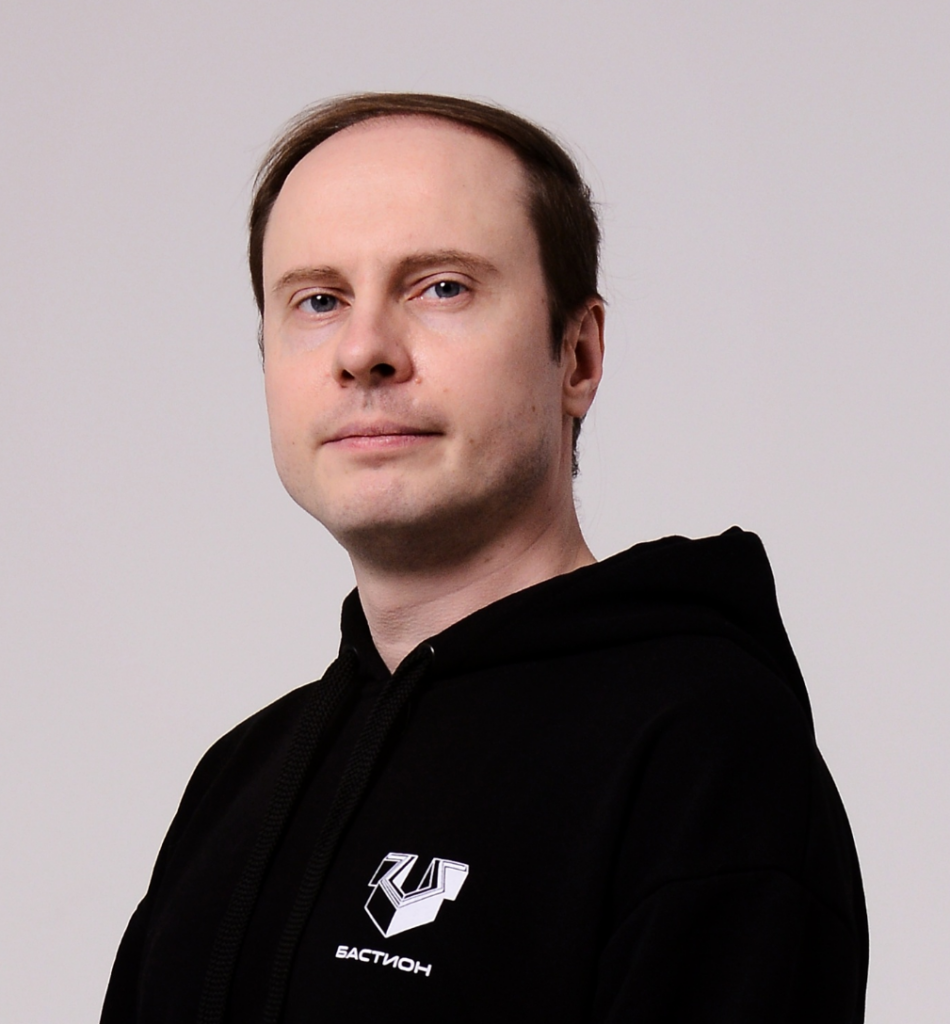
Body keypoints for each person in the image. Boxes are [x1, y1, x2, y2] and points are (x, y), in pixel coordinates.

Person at [100, 93, 868, 1023]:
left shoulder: (705, 754)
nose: (364, 351)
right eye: (318, 300)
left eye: (442, 288)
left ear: (577, 356)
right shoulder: (240, 781)